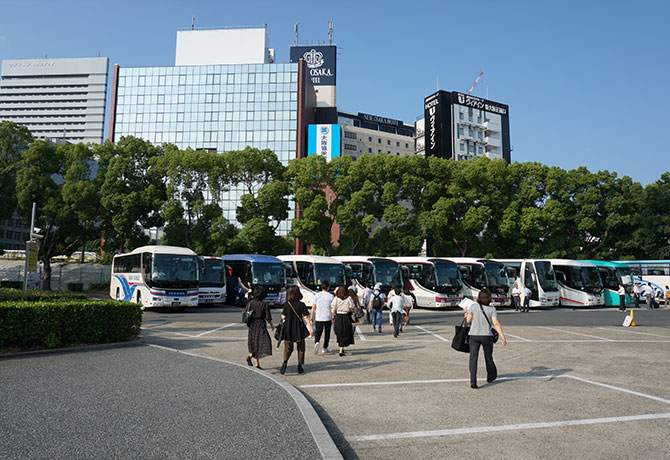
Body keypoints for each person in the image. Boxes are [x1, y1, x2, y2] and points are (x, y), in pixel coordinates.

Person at [464, 288, 507, 389]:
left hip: (474, 335)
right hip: (487, 336)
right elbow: (496, 324)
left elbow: (468, 321)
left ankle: (473, 381)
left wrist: (466, 312)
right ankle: (490, 376)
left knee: (473, 358)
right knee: (488, 356)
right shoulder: (492, 309)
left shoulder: (473, 307)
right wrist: (502, 337)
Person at [280, 285, 313, 375]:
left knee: (288, 347)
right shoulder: (302, 304)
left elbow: (283, 316)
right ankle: (299, 366)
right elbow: (306, 317)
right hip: (299, 327)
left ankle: (285, 362)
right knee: (301, 347)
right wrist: (310, 327)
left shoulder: (287, 304)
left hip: (288, 328)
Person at [244, 286, 274, 369]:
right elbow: (268, 317)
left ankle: (256, 363)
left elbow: (245, 312)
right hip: (261, 324)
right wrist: (272, 326)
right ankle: (252, 358)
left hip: (252, 325)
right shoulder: (264, 304)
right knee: (264, 341)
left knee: (253, 342)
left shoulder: (251, 303)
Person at [311, 280, 334, 355]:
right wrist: (333, 316)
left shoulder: (317, 295)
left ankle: (317, 342)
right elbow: (332, 307)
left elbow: (313, 307)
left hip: (319, 316)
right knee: (327, 333)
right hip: (327, 316)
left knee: (318, 332)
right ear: (328, 287)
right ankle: (325, 347)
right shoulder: (331, 296)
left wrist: (311, 316)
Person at [331, 285, 355, 356]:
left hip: (338, 316)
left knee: (339, 332)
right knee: (346, 332)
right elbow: (352, 306)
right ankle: (341, 349)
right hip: (346, 316)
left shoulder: (336, 298)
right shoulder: (349, 298)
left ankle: (341, 348)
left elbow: (333, 307)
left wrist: (333, 315)